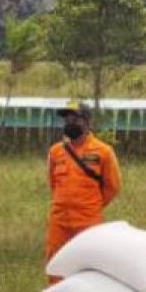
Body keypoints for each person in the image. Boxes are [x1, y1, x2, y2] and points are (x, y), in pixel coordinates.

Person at [45, 101, 122, 276]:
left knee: (89, 265)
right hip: (59, 220)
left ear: (87, 122)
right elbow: (53, 183)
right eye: (67, 119)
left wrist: (90, 206)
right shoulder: (55, 152)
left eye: (75, 118)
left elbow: (113, 186)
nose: (70, 123)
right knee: (56, 262)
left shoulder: (103, 151)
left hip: (88, 220)